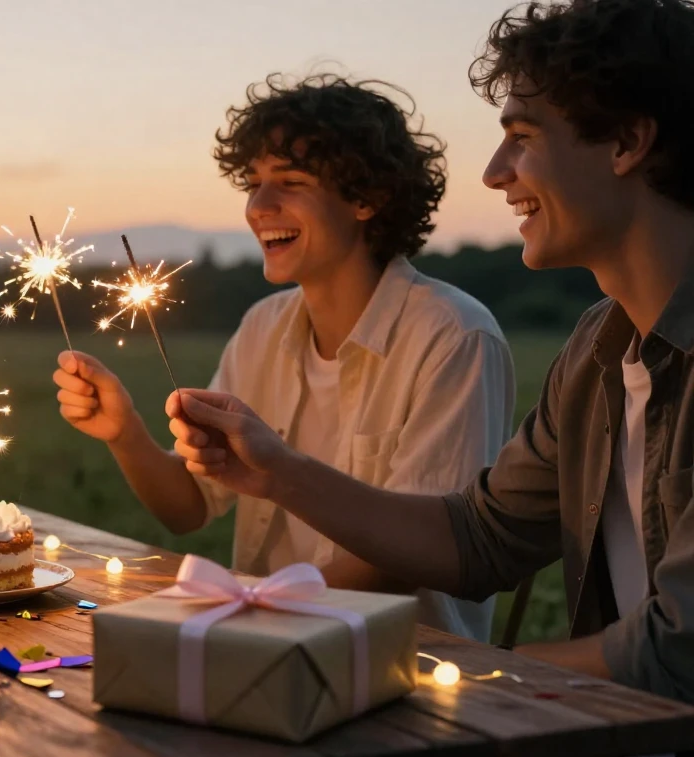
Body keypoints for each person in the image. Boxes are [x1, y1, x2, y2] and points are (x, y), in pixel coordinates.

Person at [167, 0, 694, 707]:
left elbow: (677, 652)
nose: (495, 171)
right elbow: (479, 535)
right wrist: (279, 473)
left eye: (523, 136)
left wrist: (461, 676)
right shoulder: (597, 351)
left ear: (627, 142)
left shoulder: (458, 332)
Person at [53, 73, 515, 641]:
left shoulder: (453, 336)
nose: (259, 206)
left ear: (369, 198)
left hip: (401, 663)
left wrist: (250, 616)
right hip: (261, 644)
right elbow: (188, 509)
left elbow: (410, 555)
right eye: (253, 183)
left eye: (290, 182)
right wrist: (123, 432)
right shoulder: (262, 328)